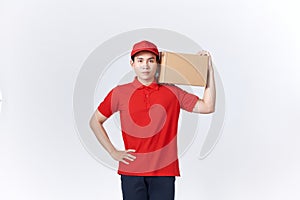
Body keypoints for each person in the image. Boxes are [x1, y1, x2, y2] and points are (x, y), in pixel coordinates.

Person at [89, 40, 216, 200]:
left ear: (157, 63)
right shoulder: (119, 93)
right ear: (132, 64)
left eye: (151, 60)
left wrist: (208, 72)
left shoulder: (172, 91)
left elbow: (207, 106)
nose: (145, 66)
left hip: (164, 171)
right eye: (140, 60)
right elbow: (95, 121)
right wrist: (113, 151)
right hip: (132, 171)